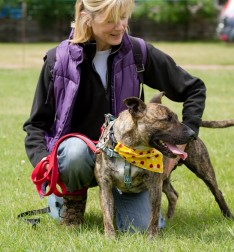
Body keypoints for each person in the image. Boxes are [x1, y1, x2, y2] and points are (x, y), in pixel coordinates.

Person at [23, 0, 206, 232]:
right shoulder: (57, 60)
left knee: (138, 228)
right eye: (111, 19)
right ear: (85, 17)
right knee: (75, 153)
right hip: (78, 160)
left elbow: (194, 89)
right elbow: (36, 124)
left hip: (127, 162)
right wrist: (45, 162)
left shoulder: (139, 53)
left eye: (124, 17)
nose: (120, 26)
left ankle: (123, 199)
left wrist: (182, 142)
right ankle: (72, 201)